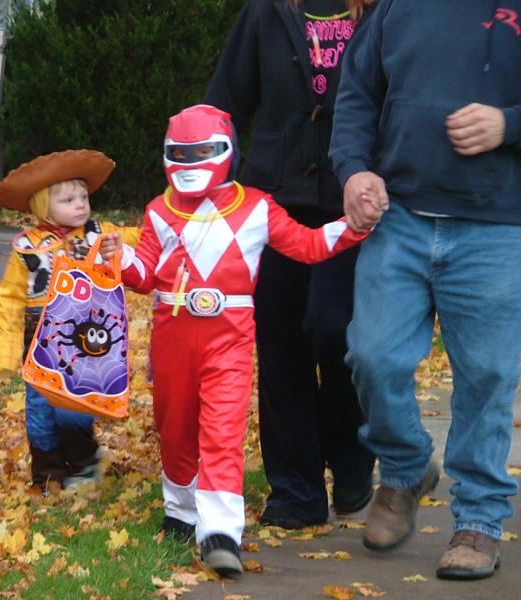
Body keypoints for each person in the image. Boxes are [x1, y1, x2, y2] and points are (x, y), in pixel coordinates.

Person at [100, 104, 375, 577]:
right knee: (175, 427)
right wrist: (120, 256)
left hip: (229, 339)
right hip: (173, 338)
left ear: (227, 151)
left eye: (202, 152)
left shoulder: (257, 207)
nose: (191, 163)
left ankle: (220, 533)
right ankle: (181, 510)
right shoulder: (159, 210)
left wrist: (355, 227)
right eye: (181, 154)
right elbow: (144, 274)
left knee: (223, 431)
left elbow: (307, 245)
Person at [330, 0, 521, 581]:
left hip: (496, 223)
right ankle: (408, 466)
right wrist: (353, 170)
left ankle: (479, 520)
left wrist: (509, 124)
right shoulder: (395, 7)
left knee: (486, 377)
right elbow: (357, 94)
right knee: (372, 355)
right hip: (400, 217)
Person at [202, 0, 377, 530]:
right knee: (280, 346)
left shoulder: (382, 12)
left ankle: (351, 457)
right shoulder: (267, 11)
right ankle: (296, 491)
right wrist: (206, 188)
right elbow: (224, 107)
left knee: (336, 330)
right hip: (271, 201)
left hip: (351, 205)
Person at [0, 149, 139, 495]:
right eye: (68, 199)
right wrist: (6, 355)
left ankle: (83, 460)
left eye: (83, 197)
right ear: (43, 206)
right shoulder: (28, 248)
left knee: (74, 405)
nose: (80, 205)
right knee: (40, 410)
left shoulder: (99, 234)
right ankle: (48, 475)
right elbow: (9, 299)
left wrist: (126, 244)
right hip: (39, 341)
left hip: (84, 339)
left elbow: (145, 238)